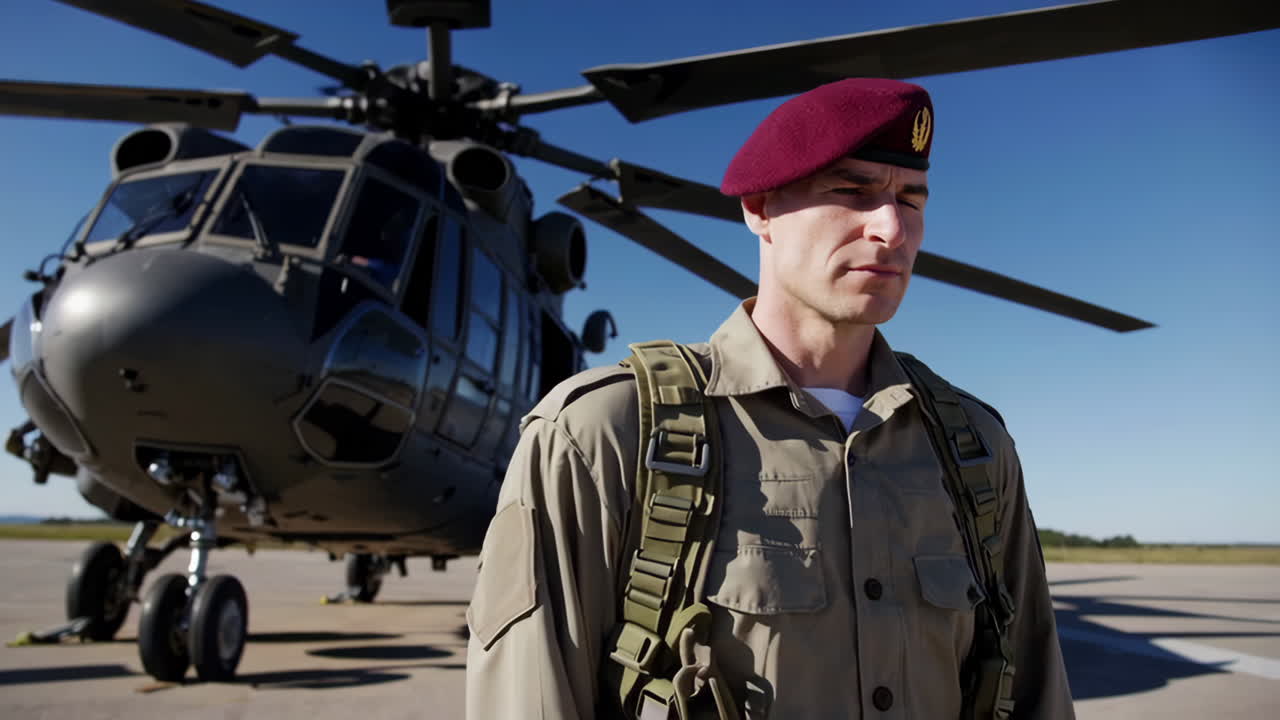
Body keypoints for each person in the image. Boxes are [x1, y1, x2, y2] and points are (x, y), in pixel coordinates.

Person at [465, 78, 1074, 719]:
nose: (893, 228)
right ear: (759, 209)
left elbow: (1032, 681)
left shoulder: (972, 446)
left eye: (911, 198)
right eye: (852, 191)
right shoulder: (605, 433)